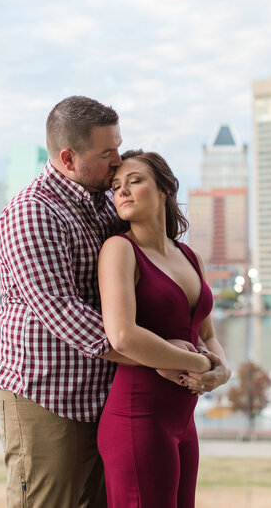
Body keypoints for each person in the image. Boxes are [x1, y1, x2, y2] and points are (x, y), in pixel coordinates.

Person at [0, 97, 228, 508]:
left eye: (119, 148)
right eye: (107, 154)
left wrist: (203, 361)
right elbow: (62, 310)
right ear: (68, 157)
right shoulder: (32, 213)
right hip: (49, 395)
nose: (117, 162)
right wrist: (170, 359)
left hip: (105, 392)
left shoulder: (104, 203)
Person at [97, 150, 231, 508]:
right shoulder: (119, 249)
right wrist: (201, 366)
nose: (122, 191)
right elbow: (122, 335)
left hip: (183, 421)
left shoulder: (190, 256)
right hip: (137, 419)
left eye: (134, 181)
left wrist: (222, 369)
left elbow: (206, 335)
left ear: (164, 189)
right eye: (115, 186)